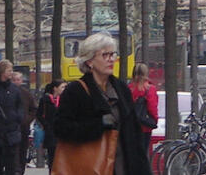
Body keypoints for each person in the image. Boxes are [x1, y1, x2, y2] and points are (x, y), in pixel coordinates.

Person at [52, 32, 150, 175]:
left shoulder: (121, 89)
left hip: (124, 165)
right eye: (105, 55)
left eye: (113, 55)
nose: (111, 60)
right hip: (90, 167)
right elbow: (61, 128)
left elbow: (134, 135)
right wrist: (98, 125)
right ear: (89, 61)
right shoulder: (76, 91)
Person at [0, 61, 24, 175]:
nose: (11, 73)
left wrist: (18, 117)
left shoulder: (14, 89)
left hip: (11, 130)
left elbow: (20, 105)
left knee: (11, 164)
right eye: (9, 70)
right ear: (2, 72)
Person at [127, 63, 158, 158]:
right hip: (145, 126)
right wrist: (154, 120)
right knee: (143, 154)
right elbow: (152, 107)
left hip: (131, 125)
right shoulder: (150, 89)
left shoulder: (129, 88)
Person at [36, 80, 64, 169]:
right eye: (63, 87)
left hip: (62, 132)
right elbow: (39, 115)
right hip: (50, 132)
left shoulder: (65, 99)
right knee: (52, 157)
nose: (65, 89)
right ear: (55, 88)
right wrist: (46, 125)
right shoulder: (45, 100)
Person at [12, 71, 38, 168]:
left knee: (23, 151)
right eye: (13, 80)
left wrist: (27, 119)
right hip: (12, 127)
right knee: (14, 151)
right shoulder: (8, 92)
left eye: (18, 80)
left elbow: (33, 109)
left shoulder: (26, 94)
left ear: (21, 81)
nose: (16, 82)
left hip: (24, 127)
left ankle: (21, 169)